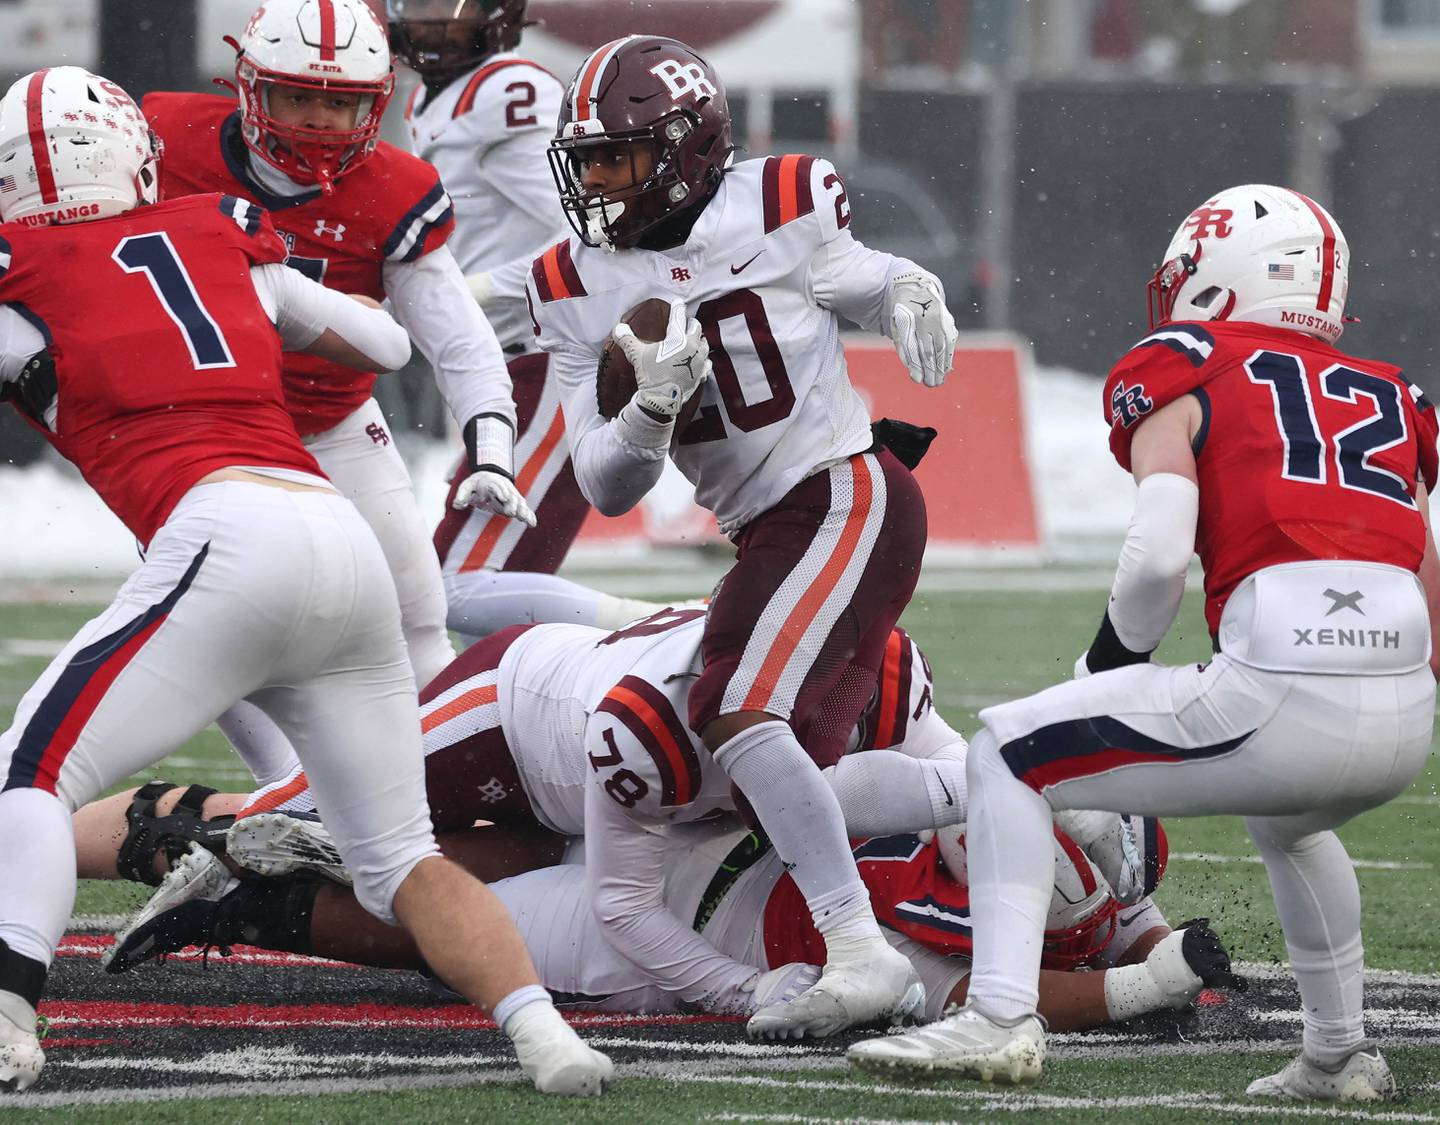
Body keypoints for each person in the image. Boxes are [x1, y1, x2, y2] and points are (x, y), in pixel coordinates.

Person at [0, 66, 610, 1098]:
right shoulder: (218, 233)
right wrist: (275, 313)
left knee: (32, 775)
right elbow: (384, 338)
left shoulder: (24, 273)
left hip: (222, 535)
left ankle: (10, 1015)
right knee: (401, 858)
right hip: (336, 533)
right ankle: (548, 1039)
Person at [849, 185, 1439, 1103]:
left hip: (1281, 689)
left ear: (1222, 277)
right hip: (1403, 715)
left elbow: (1159, 554)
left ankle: (999, 1016)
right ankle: (1337, 1053)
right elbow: (1428, 585)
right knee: (1291, 820)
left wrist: (1104, 674)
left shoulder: (1190, 362)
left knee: (1007, 749)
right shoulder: (1389, 392)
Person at [528, 34, 960, 1039]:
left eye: (616, 156)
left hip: (845, 493)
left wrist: (908, 293)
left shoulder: (780, 202)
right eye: (584, 159)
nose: (595, 181)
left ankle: (857, 950)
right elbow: (603, 478)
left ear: (685, 148)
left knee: (731, 703)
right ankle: (1016, 800)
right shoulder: (566, 278)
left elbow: (863, 274)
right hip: (772, 526)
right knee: (779, 767)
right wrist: (646, 415)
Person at [143, 0, 536, 784]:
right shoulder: (163, 143)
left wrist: (491, 449)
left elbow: (459, 341)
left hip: (332, 422)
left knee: (418, 620)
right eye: (299, 96)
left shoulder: (391, 188)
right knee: (214, 631)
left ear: (375, 102)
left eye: (341, 101)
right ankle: (292, 803)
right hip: (199, 440)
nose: (320, 119)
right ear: (251, 88)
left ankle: (469, 794)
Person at [391, 0, 668, 640]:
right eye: (421, 7)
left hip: (548, 360)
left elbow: (602, 236)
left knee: (453, 588)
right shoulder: (434, 98)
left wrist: (472, 290)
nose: (432, 24)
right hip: (503, 366)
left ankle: (673, 630)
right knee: (483, 606)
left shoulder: (508, 92)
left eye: (451, 9)